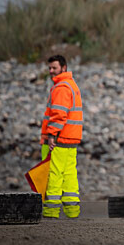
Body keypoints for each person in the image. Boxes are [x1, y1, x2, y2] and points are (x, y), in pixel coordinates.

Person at [40, 54, 84, 218]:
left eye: (54, 68)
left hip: (60, 139)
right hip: (71, 139)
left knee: (54, 173)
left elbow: (59, 115)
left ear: (63, 68)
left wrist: (51, 135)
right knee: (70, 173)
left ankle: (51, 211)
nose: (51, 71)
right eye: (50, 68)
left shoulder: (61, 88)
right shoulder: (72, 85)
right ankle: (72, 212)